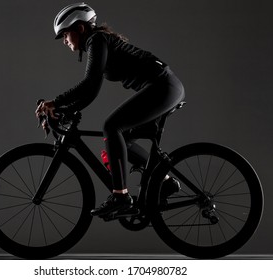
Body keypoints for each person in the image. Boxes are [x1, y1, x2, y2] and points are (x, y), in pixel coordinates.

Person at [35, 3, 185, 217]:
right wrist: (66, 109)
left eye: (65, 35)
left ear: (80, 29)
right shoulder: (97, 43)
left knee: (111, 126)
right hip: (165, 86)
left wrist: (57, 103)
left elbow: (90, 85)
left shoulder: (97, 40)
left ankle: (121, 196)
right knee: (121, 138)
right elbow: (90, 91)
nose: (65, 41)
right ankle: (166, 182)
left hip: (163, 86)